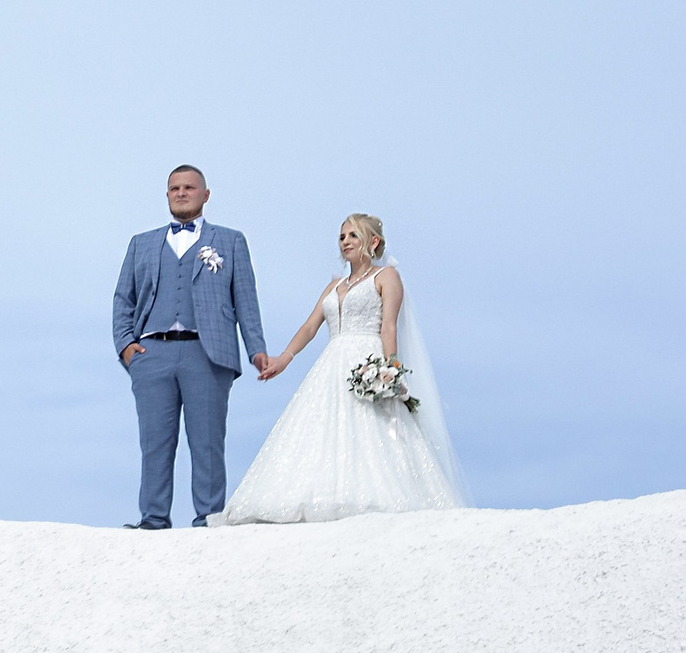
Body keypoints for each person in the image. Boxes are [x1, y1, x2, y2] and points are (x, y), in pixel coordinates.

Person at [219, 213, 468, 523]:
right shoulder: (334, 285)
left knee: (370, 428)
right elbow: (311, 326)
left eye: (353, 235)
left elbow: (388, 326)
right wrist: (283, 359)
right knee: (321, 427)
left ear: (373, 241)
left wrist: (390, 370)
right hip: (332, 361)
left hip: (367, 358)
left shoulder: (386, 276)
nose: (346, 241)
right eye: (342, 236)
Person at [109, 165, 272, 529]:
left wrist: (255, 349)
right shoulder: (142, 243)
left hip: (207, 353)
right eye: (174, 188)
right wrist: (126, 347)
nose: (181, 193)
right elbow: (124, 298)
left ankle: (209, 519)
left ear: (205, 194)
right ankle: (152, 519)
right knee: (155, 443)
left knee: (207, 443)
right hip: (153, 353)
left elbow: (246, 299)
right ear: (167, 195)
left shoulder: (230, 241)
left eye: (189, 187)